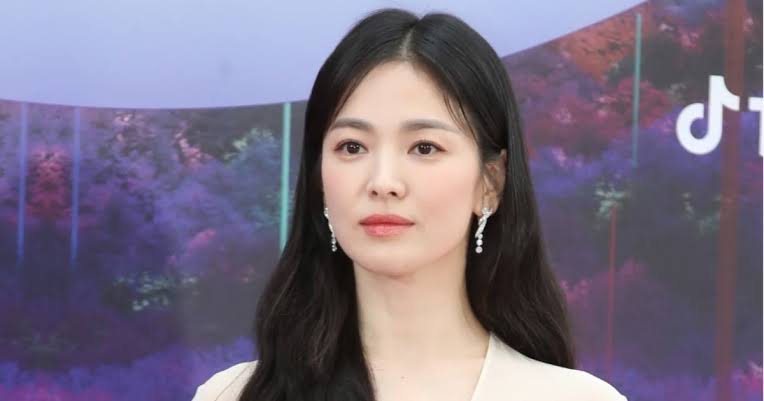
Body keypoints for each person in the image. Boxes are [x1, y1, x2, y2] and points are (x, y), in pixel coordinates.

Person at [192, 7, 627, 401]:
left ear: (490, 182)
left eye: (424, 147)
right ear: (319, 178)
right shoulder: (231, 396)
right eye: (351, 147)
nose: (383, 182)